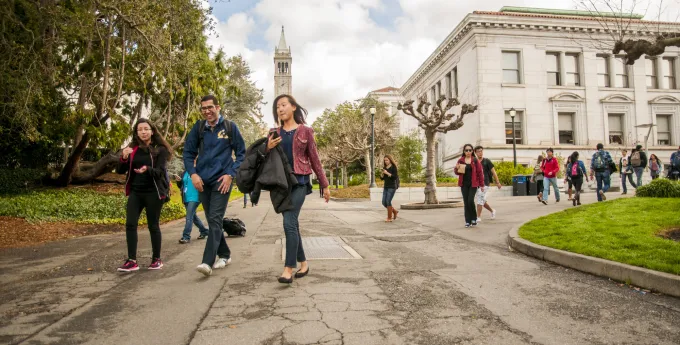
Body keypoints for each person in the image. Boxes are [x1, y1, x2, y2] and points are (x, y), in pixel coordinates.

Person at [266, 94, 330, 284]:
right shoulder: (274, 132)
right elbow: (265, 160)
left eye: (284, 105)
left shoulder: (305, 131)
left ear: (293, 107)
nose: (280, 109)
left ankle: (288, 268)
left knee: (288, 222)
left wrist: (324, 185)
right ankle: (304, 263)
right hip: (281, 184)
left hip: (300, 182)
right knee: (292, 224)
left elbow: (315, 159)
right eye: (277, 107)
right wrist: (267, 147)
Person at [183, 95, 246, 277]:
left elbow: (241, 153)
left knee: (216, 218)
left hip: (222, 180)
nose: (207, 111)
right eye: (203, 108)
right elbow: (188, 153)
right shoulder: (199, 128)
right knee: (212, 220)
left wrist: (230, 174)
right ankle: (225, 254)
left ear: (218, 107)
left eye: (210, 107)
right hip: (202, 181)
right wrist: (193, 174)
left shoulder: (229, 127)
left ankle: (206, 262)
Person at [116, 119, 172, 272]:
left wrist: (147, 169)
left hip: (154, 192)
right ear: (136, 132)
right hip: (136, 192)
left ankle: (156, 259)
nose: (143, 132)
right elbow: (120, 171)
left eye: (146, 129)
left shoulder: (160, 149)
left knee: (153, 225)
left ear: (152, 131)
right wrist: (124, 158)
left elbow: (160, 172)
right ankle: (132, 261)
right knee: (130, 224)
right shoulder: (132, 149)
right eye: (140, 129)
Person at [455, 144, 484, 228]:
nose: (468, 152)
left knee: (470, 201)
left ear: (472, 151)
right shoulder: (461, 160)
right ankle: (468, 221)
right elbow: (457, 172)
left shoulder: (475, 160)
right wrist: (456, 168)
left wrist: (481, 185)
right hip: (464, 184)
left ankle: (474, 218)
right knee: (466, 202)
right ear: (464, 151)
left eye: (470, 150)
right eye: (466, 150)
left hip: (473, 184)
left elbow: (480, 173)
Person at [176, 170, 208, 244]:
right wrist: (179, 181)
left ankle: (186, 236)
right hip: (186, 197)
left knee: (189, 217)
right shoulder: (184, 172)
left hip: (195, 197)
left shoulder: (199, 171)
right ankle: (204, 231)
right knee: (193, 217)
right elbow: (181, 186)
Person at [474, 146, 501, 222]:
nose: (480, 153)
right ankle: (492, 211)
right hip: (477, 184)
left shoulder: (486, 161)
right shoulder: (475, 162)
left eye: (481, 151)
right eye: (478, 151)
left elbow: (494, 172)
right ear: (475, 153)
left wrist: (497, 182)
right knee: (482, 200)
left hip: (485, 183)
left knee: (480, 200)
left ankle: (478, 217)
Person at [380, 155, 399, 222]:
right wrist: (382, 174)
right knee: (383, 202)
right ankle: (394, 211)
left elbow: (395, 177)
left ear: (390, 160)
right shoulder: (385, 167)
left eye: (387, 160)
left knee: (388, 201)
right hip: (386, 186)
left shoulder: (394, 167)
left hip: (392, 187)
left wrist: (387, 173)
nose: (385, 161)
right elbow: (383, 178)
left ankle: (389, 218)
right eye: (385, 160)